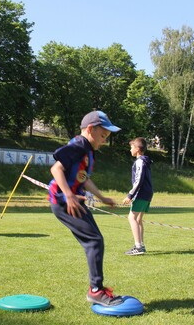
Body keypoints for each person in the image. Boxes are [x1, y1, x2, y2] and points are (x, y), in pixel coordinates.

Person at [48, 110, 123, 307]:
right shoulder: (79, 144)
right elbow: (56, 169)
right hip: (64, 202)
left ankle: (96, 289)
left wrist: (102, 197)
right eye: (103, 135)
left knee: (95, 240)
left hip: (74, 200)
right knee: (94, 241)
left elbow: (83, 177)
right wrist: (69, 195)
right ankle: (96, 291)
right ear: (90, 129)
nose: (105, 141)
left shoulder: (88, 150)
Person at [122, 137, 154, 256]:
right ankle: (141, 245)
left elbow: (138, 180)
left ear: (137, 149)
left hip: (141, 193)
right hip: (147, 193)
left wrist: (130, 195)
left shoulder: (140, 161)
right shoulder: (144, 161)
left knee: (132, 218)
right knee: (138, 219)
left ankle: (138, 247)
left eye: (131, 147)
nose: (130, 149)